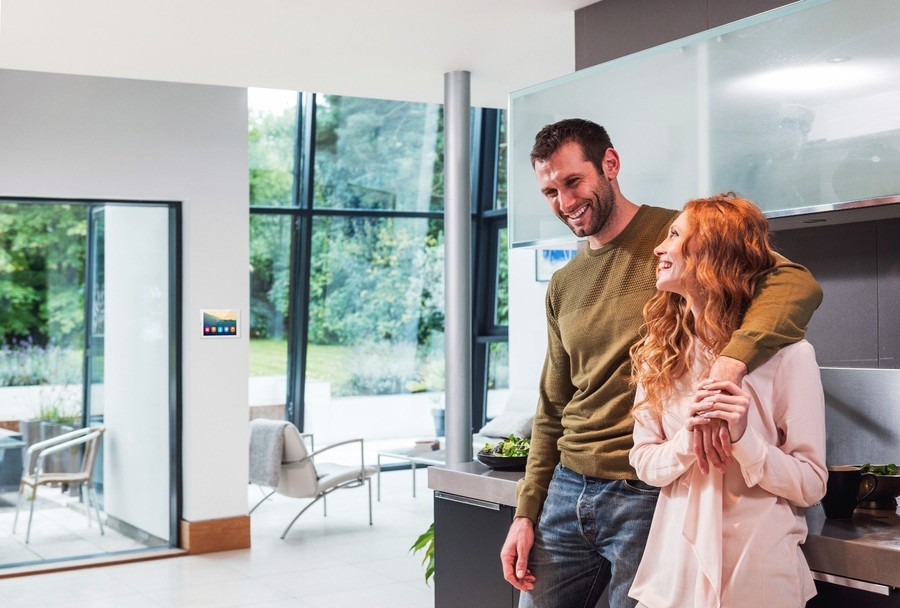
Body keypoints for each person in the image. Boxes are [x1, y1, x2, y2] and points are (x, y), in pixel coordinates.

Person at [499, 118, 823, 608]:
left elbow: (797, 283)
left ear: (610, 164)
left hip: (648, 494)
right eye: (549, 191)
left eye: (572, 182)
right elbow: (552, 407)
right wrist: (527, 509)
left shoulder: (687, 238)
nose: (564, 203)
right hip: (569, 488)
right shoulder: (565, 283)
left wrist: (729, 365)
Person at [628, 194, 827, 607]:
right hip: (673, 579)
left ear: (711, 252)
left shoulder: (791, 355)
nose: (659, 248)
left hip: (760, 578)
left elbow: (811, 484)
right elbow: (644, 462)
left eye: (675, 235)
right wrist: (689, 437)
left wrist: (743, 440)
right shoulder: (661, 351)